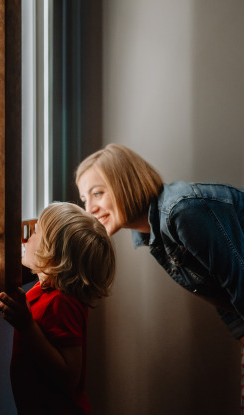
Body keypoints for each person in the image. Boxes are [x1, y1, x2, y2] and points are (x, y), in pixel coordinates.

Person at [76, 143, 244, 345]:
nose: (89, 209)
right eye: (84, 200)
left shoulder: (182, 212)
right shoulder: (150, 233)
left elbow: (238, 280)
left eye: (97, 193)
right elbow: (215, 284)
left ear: (126, 183)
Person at [0, 202, 116, 415]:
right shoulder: (47, 289)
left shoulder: (61, 302)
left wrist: (27, 327)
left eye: (34, 233)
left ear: (51, 254)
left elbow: (70, 376)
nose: (26, 238)